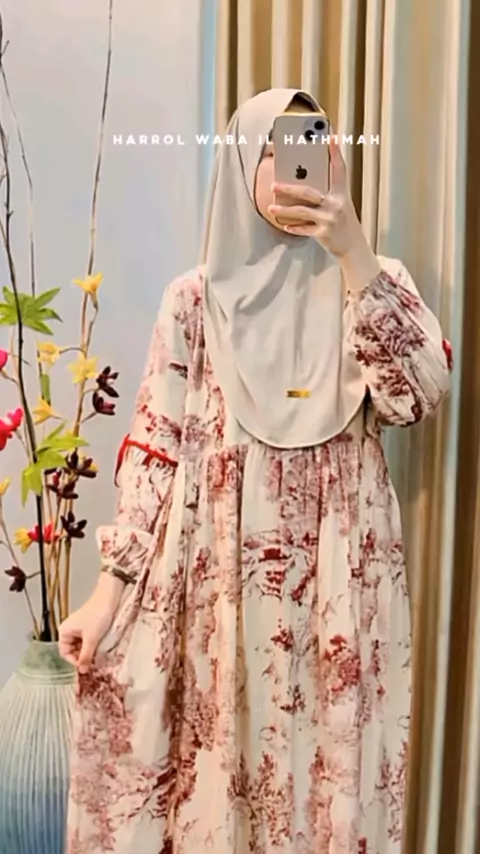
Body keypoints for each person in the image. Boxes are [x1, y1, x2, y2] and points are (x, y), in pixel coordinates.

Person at [60, 88, 452, 854]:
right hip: (219, 583)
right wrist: (106, 598)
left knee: (329, 784)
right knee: (223, 780)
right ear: (241, 165)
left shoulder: (375, 281)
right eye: (274, 149)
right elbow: (155, 448)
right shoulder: (193, 301)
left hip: (341, 581)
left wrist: (353, 251)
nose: (295, 165)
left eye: (313, 145)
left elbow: (417, 396)